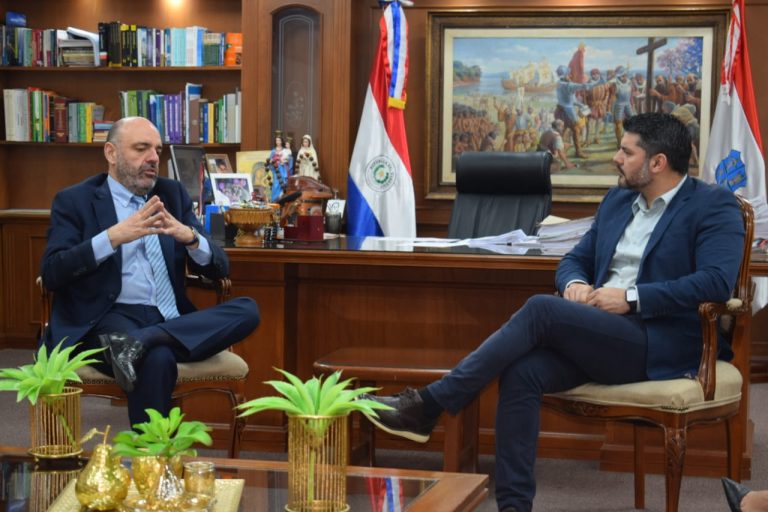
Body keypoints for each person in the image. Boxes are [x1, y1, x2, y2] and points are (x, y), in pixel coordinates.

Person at [360, 113, 744, 512]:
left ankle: (431, 403)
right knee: (522, 371)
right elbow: (575, 259)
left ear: (658, 162)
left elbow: (715, 282)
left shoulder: (712, 205)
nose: (616, 158)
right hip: (603, 333)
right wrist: (574, 283)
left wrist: (632, 297)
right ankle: (514, 506)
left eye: (626, 152)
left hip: (660, 342)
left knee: (542, 309)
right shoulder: (618, 201)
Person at [39, 116, 260, 427]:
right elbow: (52, 272)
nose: (154, 158)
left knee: (248, 310)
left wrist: (190, 237)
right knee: (157, 358)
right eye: (141, 148)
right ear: (111, 153)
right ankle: (152, 454)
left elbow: (220, 267)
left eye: (157, 150)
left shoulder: (172, 194)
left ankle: (141, 341)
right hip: (108, 317)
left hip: (168, 317)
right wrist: (113, 237)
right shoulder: (75, 200)